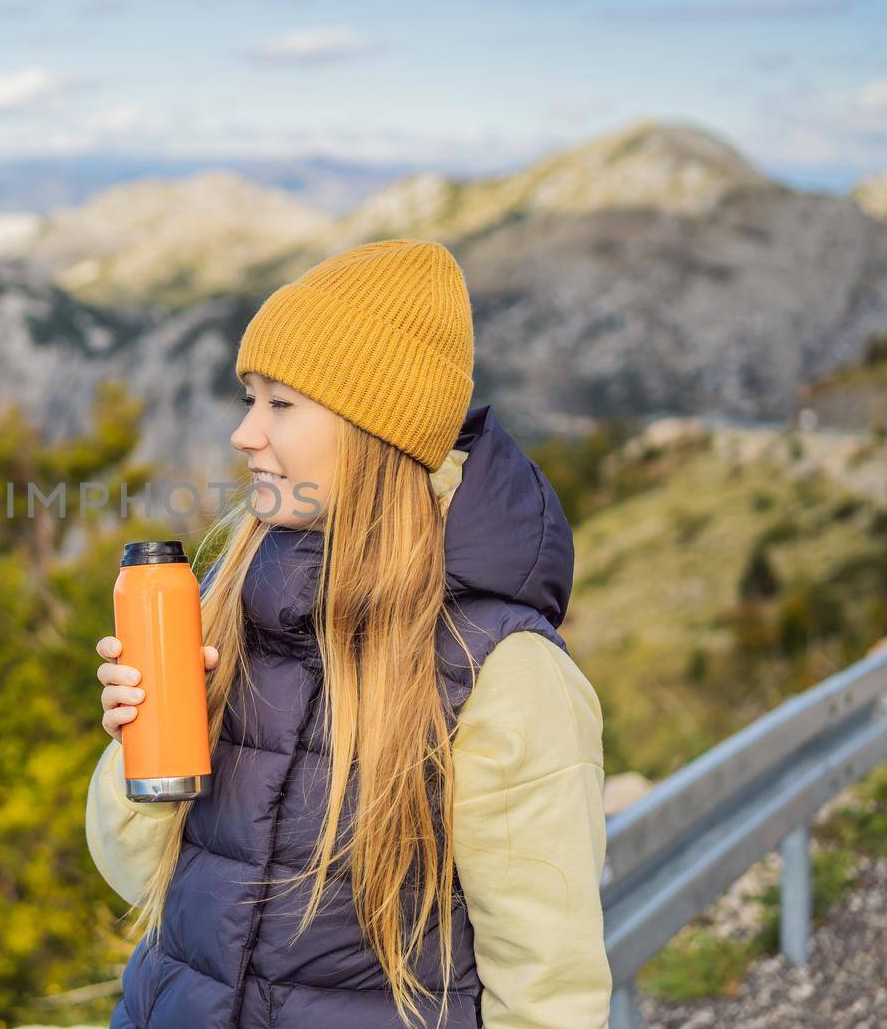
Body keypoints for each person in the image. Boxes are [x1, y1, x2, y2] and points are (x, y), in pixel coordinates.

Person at [86, 239, 611, 1028]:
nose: (245, 434)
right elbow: (141, 879)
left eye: (282, 404)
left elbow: (548, 990)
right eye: (248, 399)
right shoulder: (234, 596)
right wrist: (144, 749)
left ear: (375, 428)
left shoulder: (503, 670)